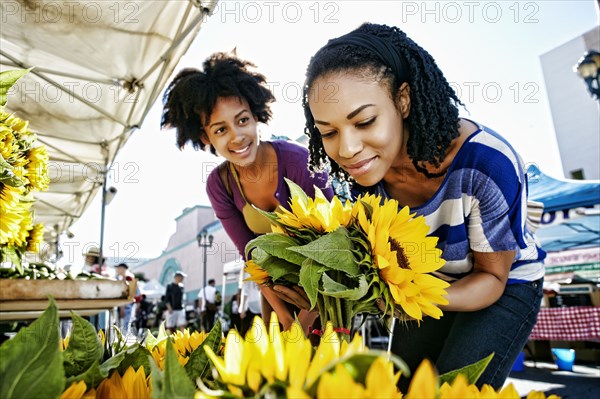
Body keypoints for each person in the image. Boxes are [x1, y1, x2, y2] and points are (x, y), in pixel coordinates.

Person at [283, 22, 546, 390]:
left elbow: (492, 279)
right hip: (424, 286)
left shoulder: (487, 164)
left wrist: (401, 297)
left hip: (501, 287)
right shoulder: (366, 179)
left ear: (403, 100)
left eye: (364, 121)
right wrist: (325, 303)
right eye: (328, 132)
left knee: (450, 391)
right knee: (400, 387)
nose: (346, 149)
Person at [161, 52, 334, 332]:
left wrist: (307, 317)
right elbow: (251, 258)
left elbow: (336, 242)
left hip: (330, 292)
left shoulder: (298, 161)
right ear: (206, 137)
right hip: (277, 296)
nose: (237, 136)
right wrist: (287, 320)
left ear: (255, 115)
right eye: (220, 129)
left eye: (242, 121)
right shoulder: (220, 185)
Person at [114, 263, 136, 333]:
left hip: (126, 306)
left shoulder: (128, 278)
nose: (117, 269)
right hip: (122, 306)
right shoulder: (120, 278)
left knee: (124, 328)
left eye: (118, 268)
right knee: (121, 327)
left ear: (123, 269)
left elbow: (127, 294)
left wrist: (123, 306)